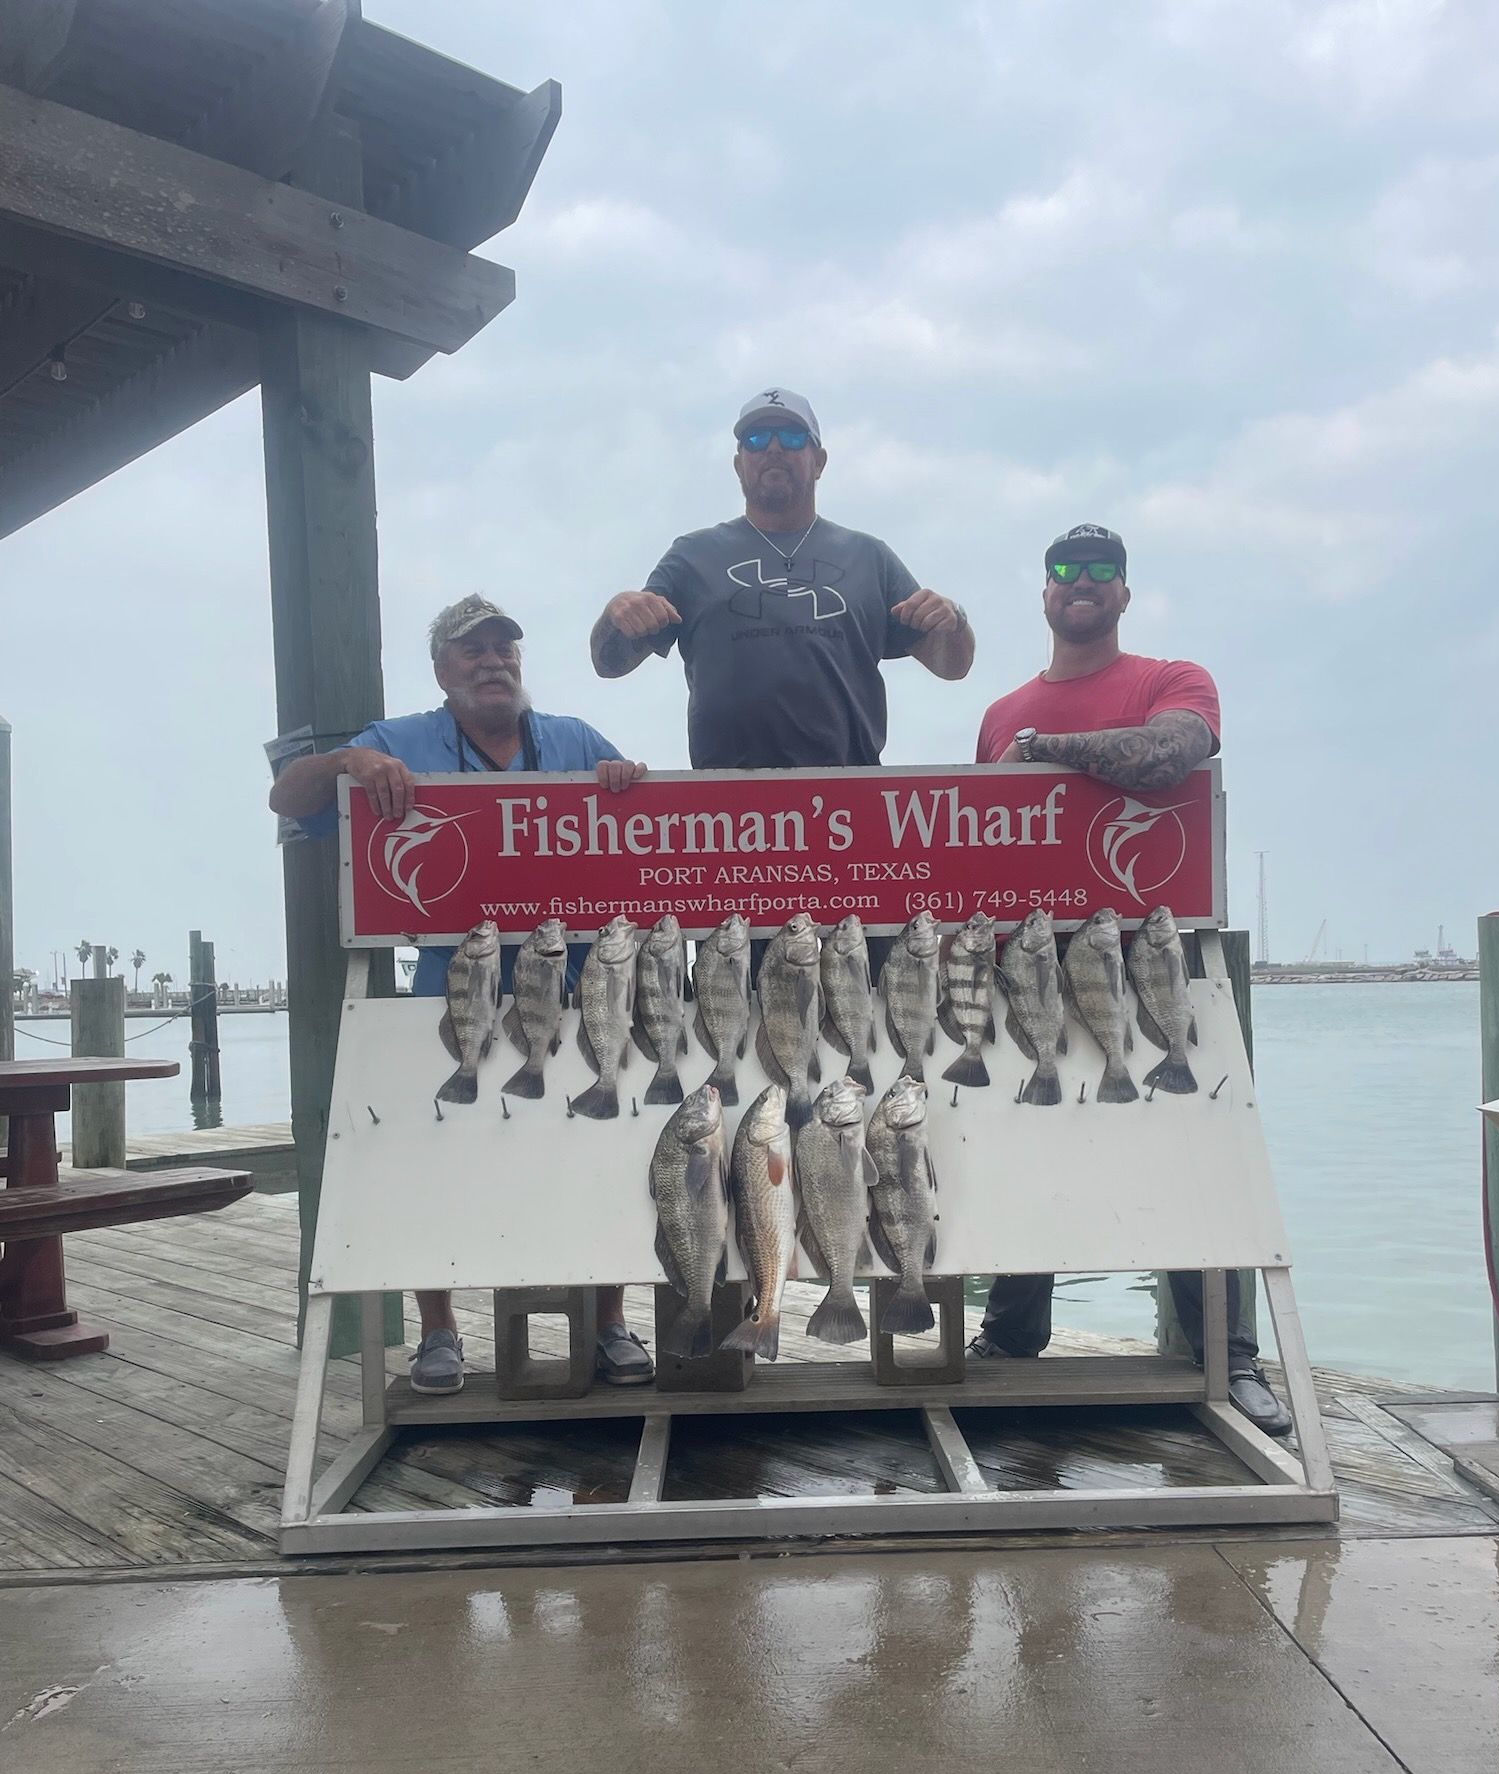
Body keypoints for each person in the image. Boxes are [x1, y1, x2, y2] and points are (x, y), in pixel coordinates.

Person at [269, 594, 656, 1398]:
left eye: (505, 650)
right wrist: (348, 762)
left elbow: (645, 829)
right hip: (454, 997)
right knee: (434, 1155)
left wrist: (625, 777)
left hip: (580, 992)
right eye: (473, 652)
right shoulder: (398, 740)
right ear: (442, 670)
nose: (493, 664)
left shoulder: (576, 739)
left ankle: (612, 1320)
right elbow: (288, 799)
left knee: (601, 1154)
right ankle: (440, 1330)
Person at [969, 524, 1292, 1438]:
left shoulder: (1171, 680)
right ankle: (1010, 1334)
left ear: (1123, 592)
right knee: (1021, 1148)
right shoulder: (998, 712)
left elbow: (1175, 753)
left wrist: (1048, 751)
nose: (1081, 582)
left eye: (1100, 570)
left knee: (1186, 1152)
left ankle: (1228, 1358)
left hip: (1146, 955)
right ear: (1042, 595)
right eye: (1064, 570)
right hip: (1026, 962)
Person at [589, 387, 975, 769]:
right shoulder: (692, 556)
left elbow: (952, 666)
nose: (773, 449)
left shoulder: (870, 558)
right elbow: (609, 663)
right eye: (756, 439)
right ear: (739, 464)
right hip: (723, 808)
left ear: (819, 461)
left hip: (851, 799)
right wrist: (615, 615)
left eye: (792, 437)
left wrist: (953, 620)